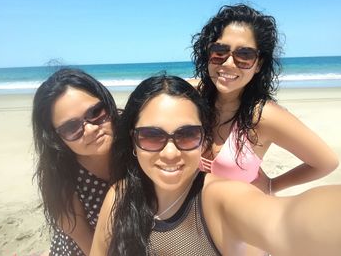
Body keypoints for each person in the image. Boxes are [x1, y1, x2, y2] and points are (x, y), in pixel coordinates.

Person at [90, 75, 341, 256]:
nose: (169, 153)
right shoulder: (120, 196)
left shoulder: (218, 199)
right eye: (151, 136)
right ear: (133, 141)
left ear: (204, 140)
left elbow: (287, 222)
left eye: (186, 135)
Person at [191, 4, 338, 193]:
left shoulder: (263, 116)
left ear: (258, 64)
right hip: (191, 218)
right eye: (219, 51)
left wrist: (272, 185)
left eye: (244, 55)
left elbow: (326, 163)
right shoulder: (193, 98)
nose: (228, 63)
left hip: (239, 220)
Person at [32, 68, 119, 255]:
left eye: (96, 112)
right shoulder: (61, 179)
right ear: (56, 138)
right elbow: (91, 248)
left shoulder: (135, 139)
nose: (90, 130)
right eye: (71, 127)